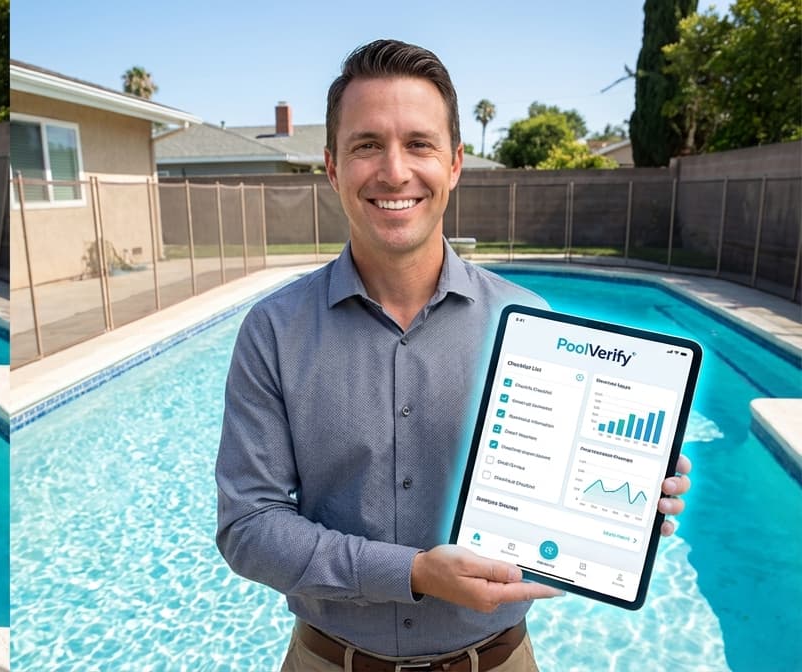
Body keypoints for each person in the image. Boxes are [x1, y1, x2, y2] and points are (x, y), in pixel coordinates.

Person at [215, 39, 693, 672]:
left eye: (419, 144)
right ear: (332, 168)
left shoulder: (530, 326)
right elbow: (248, 528)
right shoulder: (273, 332)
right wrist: (411, 573)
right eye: (366, 145)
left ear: (456, 162)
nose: (393, 171)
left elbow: (571, 492)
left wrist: (624, 494)